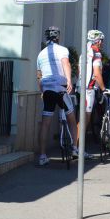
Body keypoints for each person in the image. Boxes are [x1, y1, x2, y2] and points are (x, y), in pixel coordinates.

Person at [36, 26, 77, 166]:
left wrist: (42, 91)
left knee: (45, 123)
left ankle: (42, 156)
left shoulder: (40, 54)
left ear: (46, 38)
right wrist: (69, 80)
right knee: (71, 117)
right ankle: (75, 149)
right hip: (60, 87)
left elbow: (39, 75)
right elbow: (66, 63)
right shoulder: (62, 50)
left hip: (47, 88)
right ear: (58, 37)